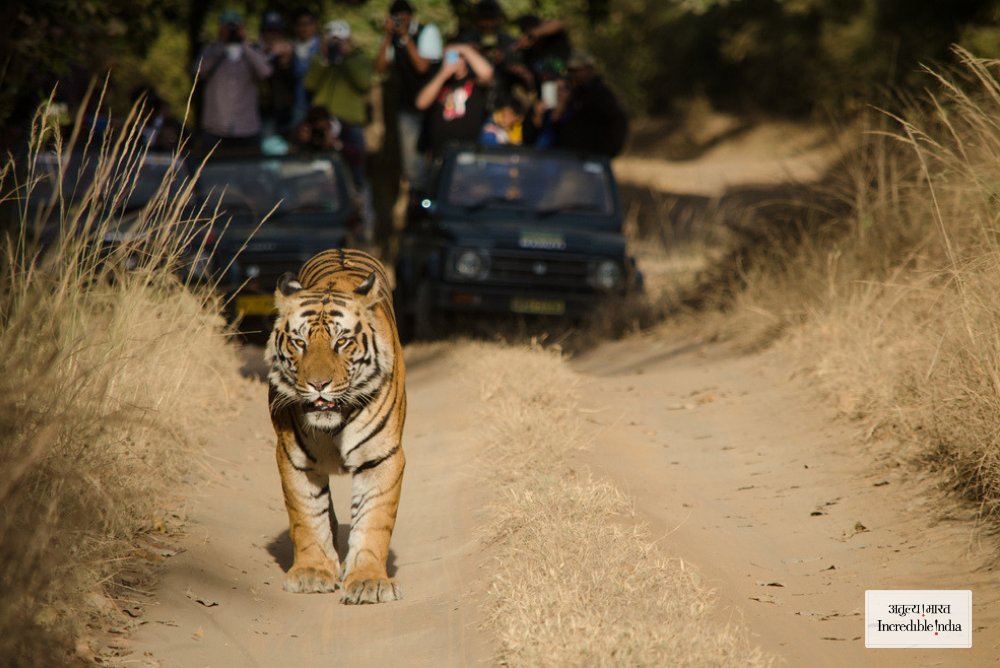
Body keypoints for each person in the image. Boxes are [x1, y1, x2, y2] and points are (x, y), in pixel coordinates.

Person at [305, 20, 375, 241]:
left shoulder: (360, 60)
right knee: (317, 173)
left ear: (349, 41)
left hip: (350, 125)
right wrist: (325, 58)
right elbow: (309, 85)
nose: (336, 44)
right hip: (322, 122)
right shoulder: (320, 61)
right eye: (332, 39)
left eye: (340, 39)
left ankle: (363, 221)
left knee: (357, 173)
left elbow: (363, 83)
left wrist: (344, 58)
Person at [374, 0, 442, 193]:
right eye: (396, 17)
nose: (399, 21)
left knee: (435, 153)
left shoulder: (427, 32)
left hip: (432, 106)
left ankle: (436, 193)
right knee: (411, 161)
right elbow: (379, 68)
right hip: (407, 105)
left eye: (403, 16)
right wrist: (388, 35)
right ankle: (417, 200)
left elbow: (422, 67)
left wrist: (405, 37)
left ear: (411, 16)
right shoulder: (392, 37)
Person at [194, 10, 273, 151]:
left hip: (247, 128)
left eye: (235, 27)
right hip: (216, 128)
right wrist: (221, 44)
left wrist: (244, 43)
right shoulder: (211, 51)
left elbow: (266, 72)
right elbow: (198, 72)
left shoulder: (251, 52)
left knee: (248, 171)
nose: (232, 31)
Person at [415, 42, 494, 160]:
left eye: (458, 56)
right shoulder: (438, 81)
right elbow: (421, 104)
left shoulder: (475, 83)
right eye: (450, 56)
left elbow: (487, 73)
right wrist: (443, 74)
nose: (454, 60)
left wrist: (465, 49)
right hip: (440, 154)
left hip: (468, 154)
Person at [552, 52, 628, 157]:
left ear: (589, 69)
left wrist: (606, 152)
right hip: (569, 159)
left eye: (576, 70)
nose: (572, 75)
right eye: (570, 71)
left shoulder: (601, 95)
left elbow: (616, 122)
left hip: (592, 158)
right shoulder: (571, 93)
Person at [258, 11, 296, 136]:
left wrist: (286, 62)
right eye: (269, 31)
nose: (273, 35)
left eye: (276, 31)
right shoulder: (254, 51)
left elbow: (295, 79)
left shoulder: (289, 51)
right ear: (262, 32)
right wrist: (268, 55)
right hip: (262, 112)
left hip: (285, 111)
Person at [290, 8, 321, 126]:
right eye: (300, 24)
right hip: (298, 104)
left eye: (308, 23)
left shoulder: (323, 47)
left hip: (319, 104)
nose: (304, 28)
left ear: (315, 25)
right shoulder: (290, 47)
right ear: (295, 27)